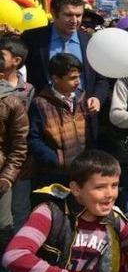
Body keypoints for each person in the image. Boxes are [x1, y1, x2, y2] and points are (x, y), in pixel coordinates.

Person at [3, 150, 128, 272]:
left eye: (114, 185)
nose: (110, 194)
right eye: (100, 187)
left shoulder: (113, 218)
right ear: (76, 189)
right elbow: (14, 256)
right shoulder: (50, 212)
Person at [28, 53, 90, 189]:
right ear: (56, 78)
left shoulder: (82, 98)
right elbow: (34, 138)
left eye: (79, 76)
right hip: (53, 173)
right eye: (72, 78)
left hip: (81, 169)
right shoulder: (41, 103)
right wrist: (55, 159)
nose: (78, 81)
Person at [0, 50, 28, 272]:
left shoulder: (11, 101)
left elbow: (19, 144)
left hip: (2, 176)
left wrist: (8, 176)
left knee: (3, 226)